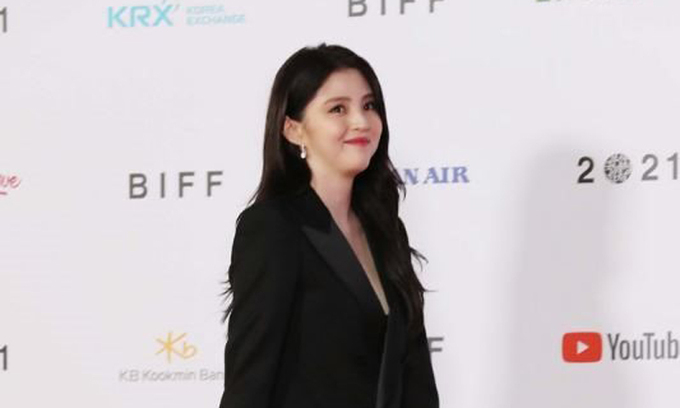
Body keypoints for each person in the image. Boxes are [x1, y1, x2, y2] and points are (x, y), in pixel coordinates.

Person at [219, 43, 439, 408]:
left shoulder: (387, 232)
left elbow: (415, 378)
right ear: (293, 130)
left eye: (369, 106)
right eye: (338, 108)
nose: (361, 121)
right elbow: (250, 379)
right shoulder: (274, 227)